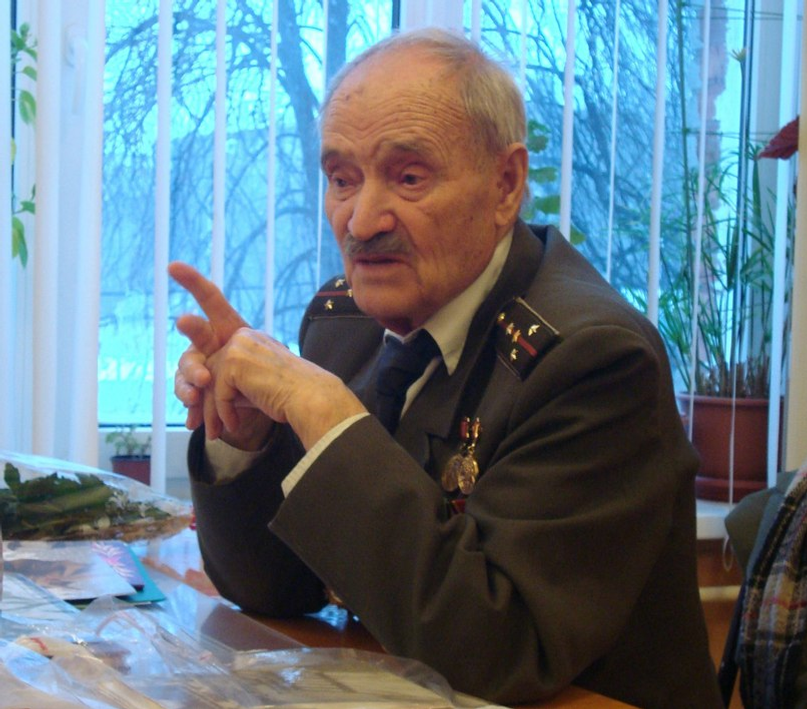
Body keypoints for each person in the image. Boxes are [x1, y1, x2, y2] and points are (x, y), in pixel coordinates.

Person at [170, 28, 722, 708]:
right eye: (341, 179)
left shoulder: (592, 359)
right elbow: (276, 588)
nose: (361, 221)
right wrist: (245, 442)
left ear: (504, 185)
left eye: (408, 177)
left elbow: (497, 650)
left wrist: (326, 417)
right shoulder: (346, 323)